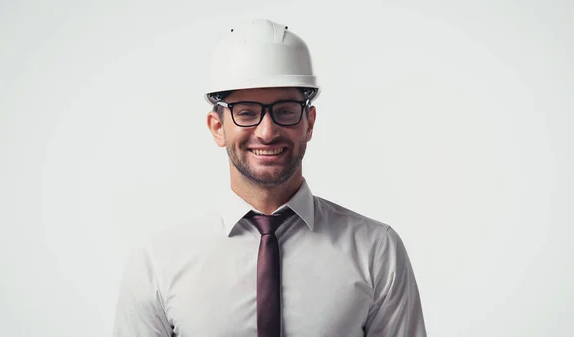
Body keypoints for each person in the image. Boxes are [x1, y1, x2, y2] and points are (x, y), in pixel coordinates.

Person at [112, 18, 428, 337]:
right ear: (217, 127)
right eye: (246, 112)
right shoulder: (159, 262)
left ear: (310, 123)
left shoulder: (375, 250)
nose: (267, 132)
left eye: (286, 110)